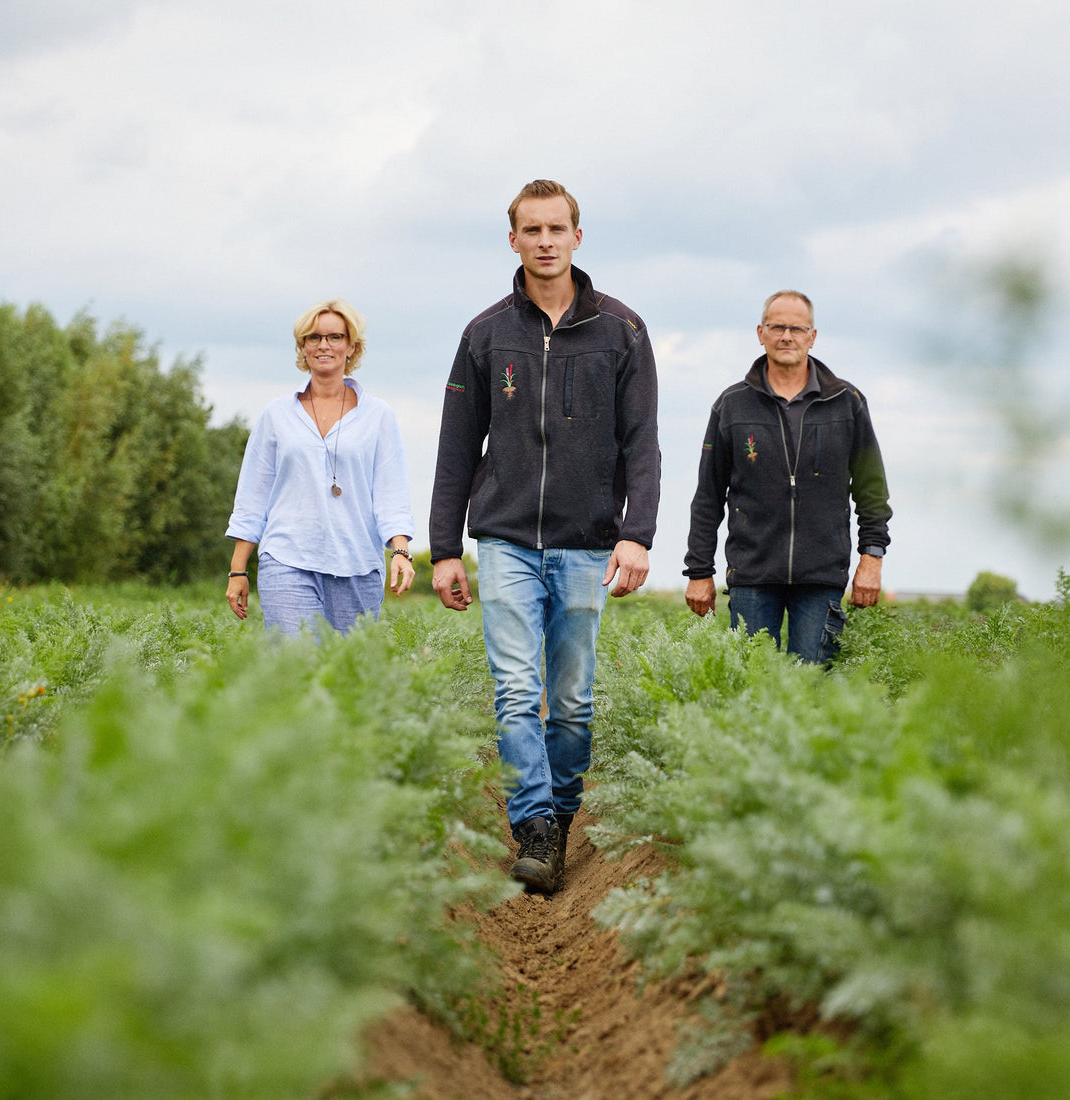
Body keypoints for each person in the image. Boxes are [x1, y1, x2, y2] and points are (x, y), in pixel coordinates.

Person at [429, 180, 661, 894]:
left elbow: (643, 443)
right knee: (516, 687)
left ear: (577, 237)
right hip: (502, 541)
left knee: (573, 697)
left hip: (587, 541)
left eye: (556, 229)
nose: (545, 241)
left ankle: (560, 815)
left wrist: (636, 533)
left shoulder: (622, 331)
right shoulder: (485, 333)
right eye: (531, 230)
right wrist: (444, 549)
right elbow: (457, 447)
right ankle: (532, 824)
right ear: (514, 241)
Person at [683, 290, 891, 663]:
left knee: (809, 688)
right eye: (777, 327)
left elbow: (872, 492)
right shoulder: (731, 405)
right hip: (752, 575)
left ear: (812, 336)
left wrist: (871, 560)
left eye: (797, 328)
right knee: (751, 685)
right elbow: (708, 497)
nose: (786, 336)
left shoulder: (847, 402)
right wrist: (699, 571)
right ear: (760, 333)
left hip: (822, 576)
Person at [225, 298, 415, 635]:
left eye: (335, 337)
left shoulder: (378, 416)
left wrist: (400, 550)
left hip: (357, 564)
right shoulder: (276, 415)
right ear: (302, 347)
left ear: (351, 347)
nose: (323, 345)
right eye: (313, 338)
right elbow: (253, 496)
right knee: (295, 666)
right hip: (287, 558)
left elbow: (391, 493)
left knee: (344, 675)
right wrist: (238, 569)